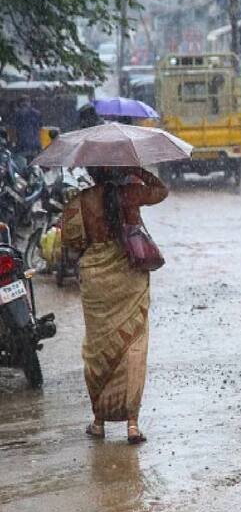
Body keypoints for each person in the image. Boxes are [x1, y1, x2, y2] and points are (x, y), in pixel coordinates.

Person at [62, 166, 168, 443]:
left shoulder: (79, 201)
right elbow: (161, 191)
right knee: (133, 344)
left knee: (98, 348)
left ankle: (98, 421)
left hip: (96, 278)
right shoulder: (129, 194)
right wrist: (139, 171)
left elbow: (70, 241)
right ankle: (132, 424)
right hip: (128, 274)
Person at [12, 95, 42, 161]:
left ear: (30, 103)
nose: (25, 104)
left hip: (33, 144)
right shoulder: (17, 114)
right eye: (23, 102)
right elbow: (14, 128)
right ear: (19, 103)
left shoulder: (35, 114)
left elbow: (39, 126)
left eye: (26, 101)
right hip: (22, 144)